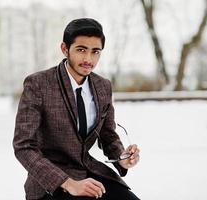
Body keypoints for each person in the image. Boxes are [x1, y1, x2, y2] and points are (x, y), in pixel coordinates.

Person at [13, 18, 140, 200]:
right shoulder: (38, 84)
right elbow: (24, 146)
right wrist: (68, 183)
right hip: (49, 182)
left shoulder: (103, 87)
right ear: (65, 49)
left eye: (95, 52)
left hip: (88, 171)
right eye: (81, 50)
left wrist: (122, 157)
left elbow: (108, 135)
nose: (88, 59)